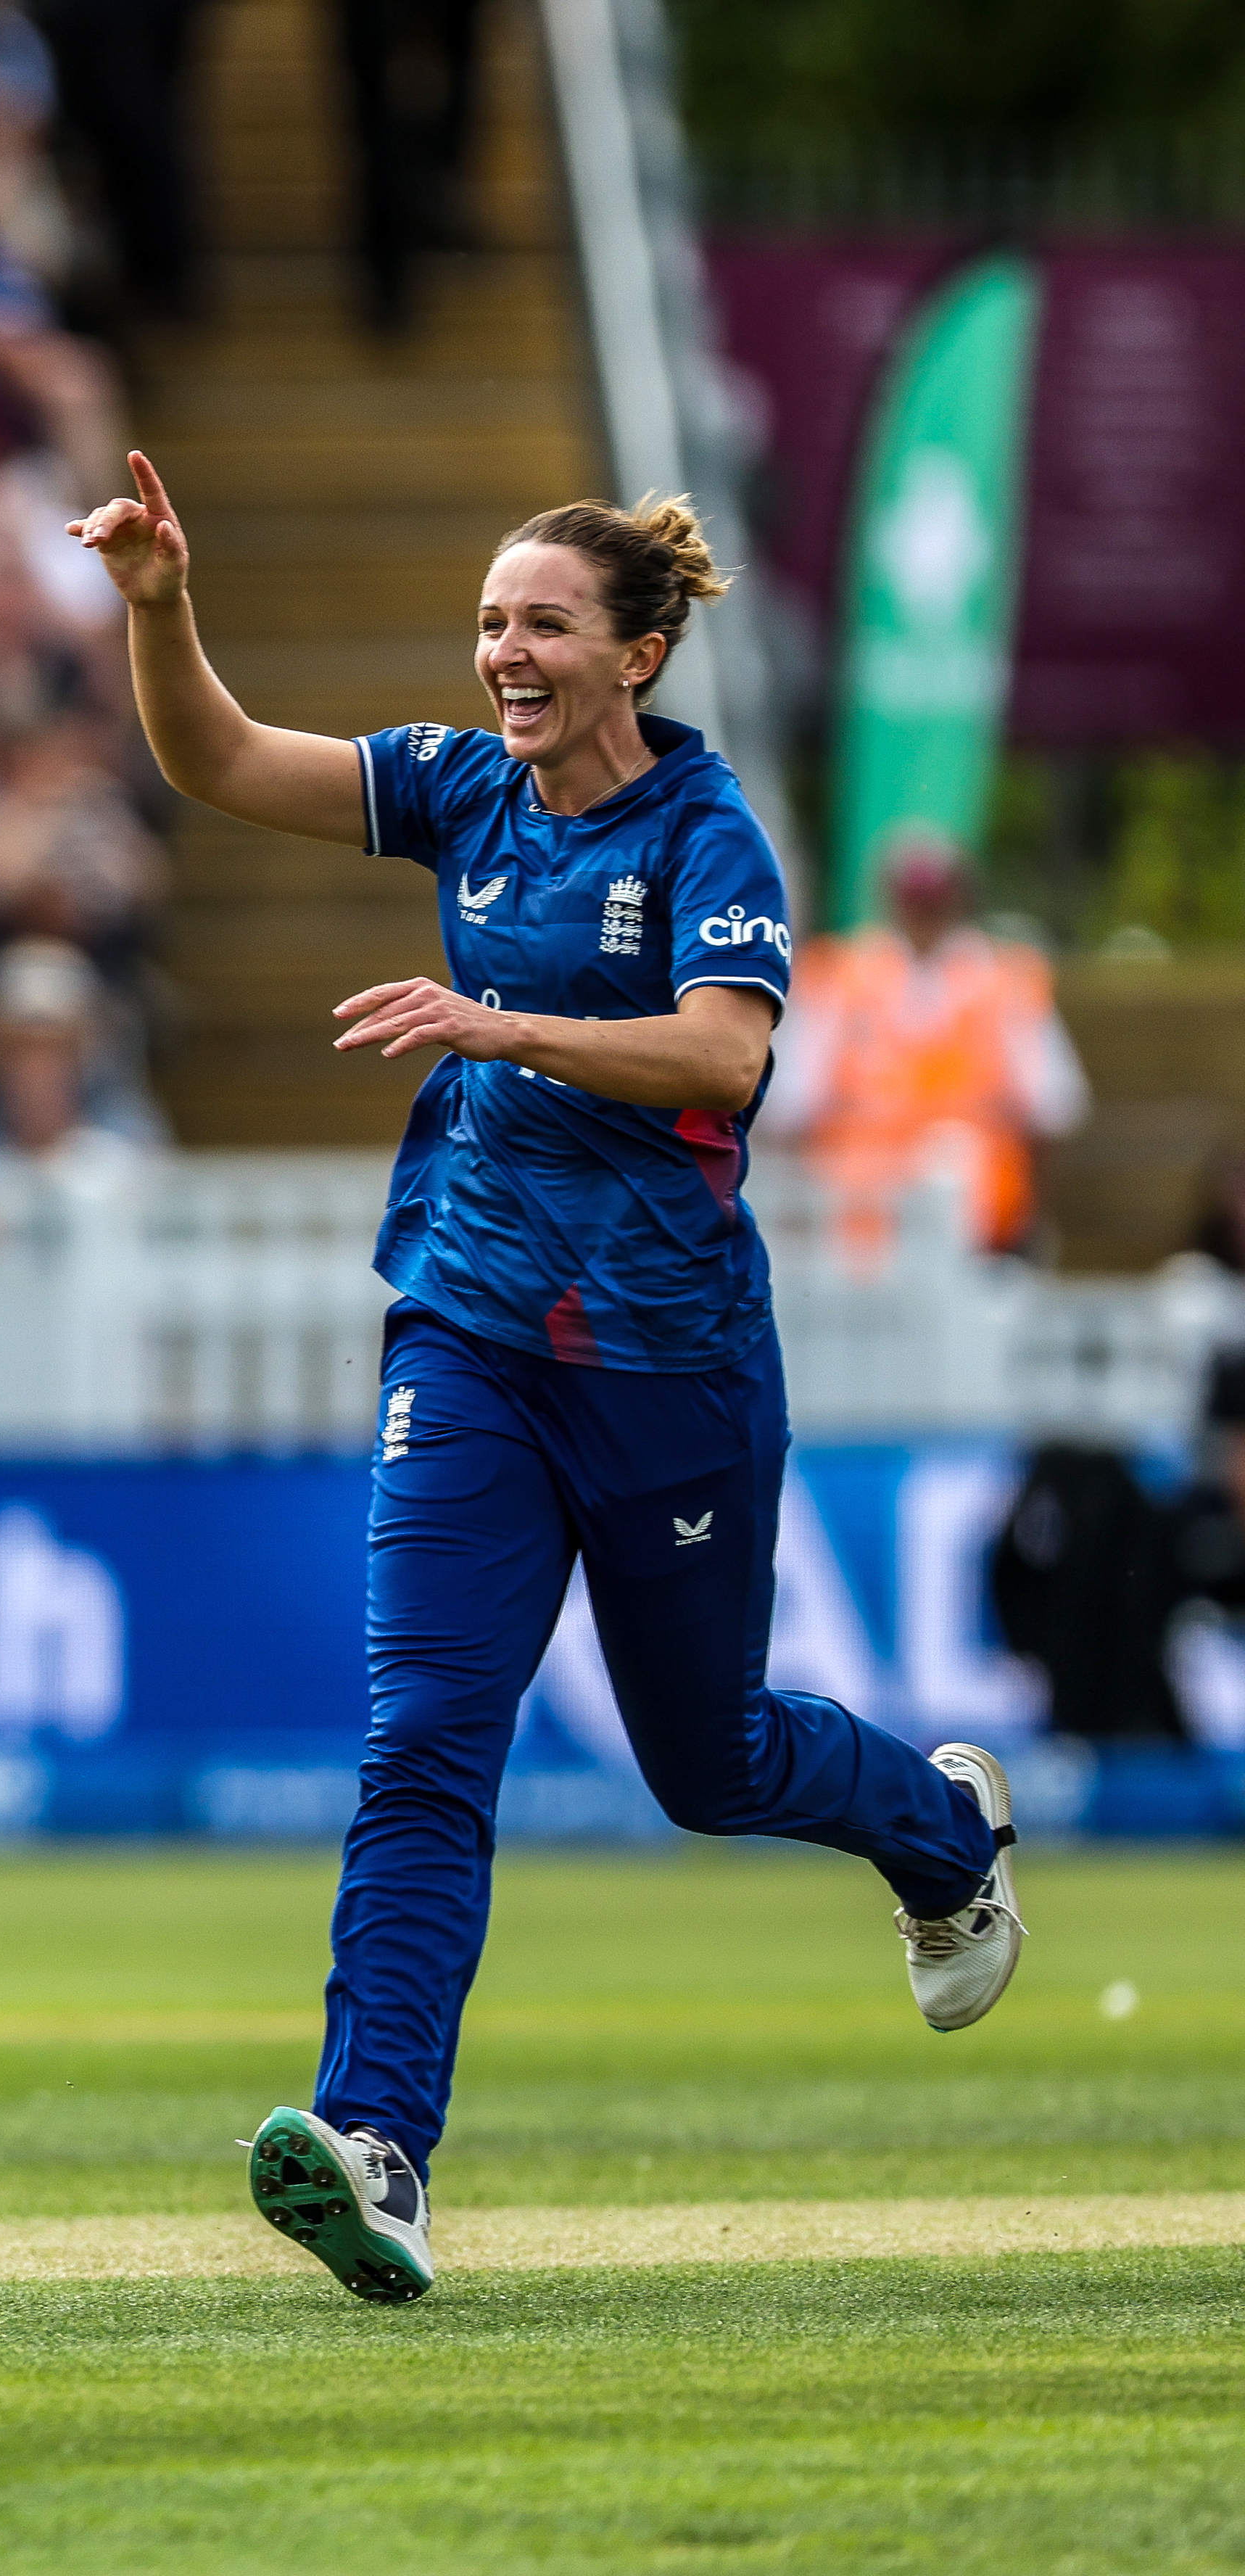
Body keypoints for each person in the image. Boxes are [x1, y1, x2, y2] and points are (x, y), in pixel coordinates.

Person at [70, 453, 1024, 2305]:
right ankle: (376, 2144)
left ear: (639, 652)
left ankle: (945, 1831)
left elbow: (723, 1065)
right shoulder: (457, 785)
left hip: (669, 1363)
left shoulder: (705, 835)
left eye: (544, 624)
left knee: (710, 1761)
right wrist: (160, 604)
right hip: (471, 1328)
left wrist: (498, 1022)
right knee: (426, 1741)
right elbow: (222, 762)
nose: (506, 653)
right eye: (493, 620)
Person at [773, 836, 1085, 1264]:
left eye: (933, 897)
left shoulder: (1009, 983)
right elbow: (789, 1111)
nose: (924, 912)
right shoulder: (836, 980)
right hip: (856, 1244)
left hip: (983, 1241)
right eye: (916, 897)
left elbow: (1053, 1111)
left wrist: (1028, 1225)